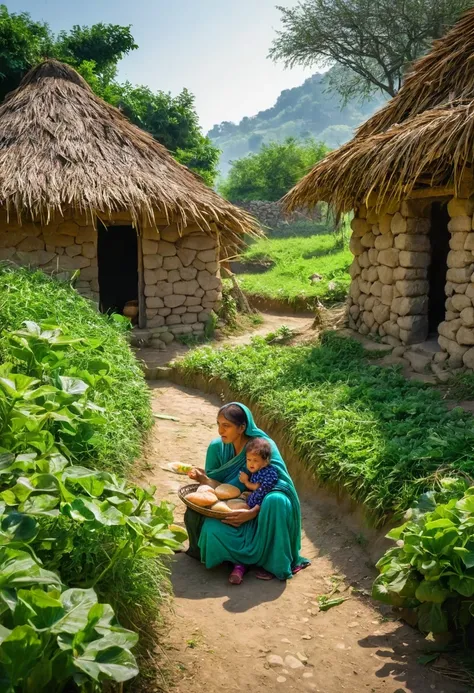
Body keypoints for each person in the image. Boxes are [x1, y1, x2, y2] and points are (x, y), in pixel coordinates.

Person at [185, 402, 309, 585]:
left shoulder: (264, 446)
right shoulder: (216, 448)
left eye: (226, 426)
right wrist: (202, 479)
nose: (220, 431)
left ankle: (271, 559)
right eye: (218, 424)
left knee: (277, 499)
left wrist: (254, 512)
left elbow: (279, 482)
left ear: (242, 427)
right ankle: (241, 560)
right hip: (232, 509)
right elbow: (219, 489)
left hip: (262, 515)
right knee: (210, 531)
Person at [239, 437, 278, 509]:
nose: (251, 463)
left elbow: (256, 487)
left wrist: (246, 481)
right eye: (249, 460)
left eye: (255, 460)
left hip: (261, 501)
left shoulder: (265, 472)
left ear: (265, 462)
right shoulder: (259, 470)